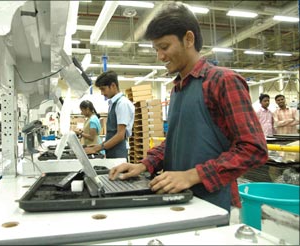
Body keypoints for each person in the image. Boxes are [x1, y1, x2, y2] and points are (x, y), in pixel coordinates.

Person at [108, 2, 268, 212]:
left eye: (164, 47)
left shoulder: (222, 81)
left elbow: (253, 149)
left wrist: (193, 175)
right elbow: (177, 140)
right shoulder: (177, 89)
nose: (160, 56)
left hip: (213, 204)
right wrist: (145, 164)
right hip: (180, 201)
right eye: (157, 49)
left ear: (189, 39)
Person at [85, 71, 135, 160]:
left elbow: (120, 135)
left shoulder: (122, 104)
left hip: (118, 151)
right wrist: (99, 146)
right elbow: (112, 133)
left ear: (113, 86)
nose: (102, 93)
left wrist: (98, 148)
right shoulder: (113, 103)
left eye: (103, 89)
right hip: (112, 150)